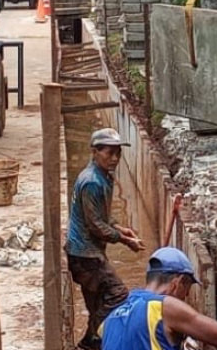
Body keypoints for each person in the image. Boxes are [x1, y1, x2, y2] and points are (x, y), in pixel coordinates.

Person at [66, 128, 146, 350]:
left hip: (86, 252)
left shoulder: (102, 177)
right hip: (85, 254)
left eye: (117, 153)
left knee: (96, 304)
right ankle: (91, 340)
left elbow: (103, 217)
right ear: (94, 152)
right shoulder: (92, 181)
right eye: (109, 153)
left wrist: (121, 229)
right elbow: (96, 226)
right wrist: (124, 240)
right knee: (118, 294)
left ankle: (95, 342)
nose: (114, 159)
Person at [101, 244, 217, 350]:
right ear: (177, 282)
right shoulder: (164, 308)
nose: (186, 295)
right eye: (187, 288)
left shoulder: (110, 319)